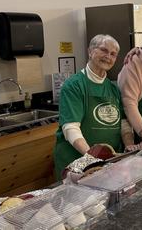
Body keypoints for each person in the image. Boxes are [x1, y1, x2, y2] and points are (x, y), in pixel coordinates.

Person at [53, 34, 133, 180]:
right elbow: (70, 128)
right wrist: (91, 157)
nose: (108, 56)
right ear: (90, 51)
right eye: (103, 50)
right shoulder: (74, 85)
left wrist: (129, 145)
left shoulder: (113, 88)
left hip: (108, 162)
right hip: (78, 162)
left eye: (113, 54)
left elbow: (123, 122)